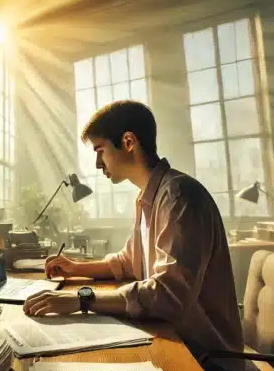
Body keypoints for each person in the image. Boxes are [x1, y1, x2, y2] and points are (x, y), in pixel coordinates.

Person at [24, 100, 243, 354]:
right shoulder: (148, 196)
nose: (97, 164)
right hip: (174, 338)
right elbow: (129, 261)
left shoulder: (178, 196)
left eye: (100, 151)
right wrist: (76, 268)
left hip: (206, 357)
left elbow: (169, 295)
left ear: (128, 142)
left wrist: (81, 299)